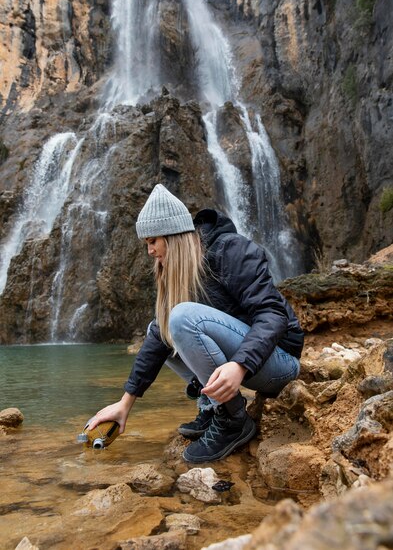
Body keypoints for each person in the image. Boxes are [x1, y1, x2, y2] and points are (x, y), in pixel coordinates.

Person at [89, 184, 304, 463]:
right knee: (161, 328)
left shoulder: (230, 250)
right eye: (146, 244)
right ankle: (214, 405)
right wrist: (125, 403)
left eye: (153, 241)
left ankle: (233, 420)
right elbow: (158, 338)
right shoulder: (177, 271)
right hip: (247, 362)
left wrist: (239, 365)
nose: (150, 251)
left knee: (180, 317)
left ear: (174, 236)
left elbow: (273, 315)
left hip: (279, 363)